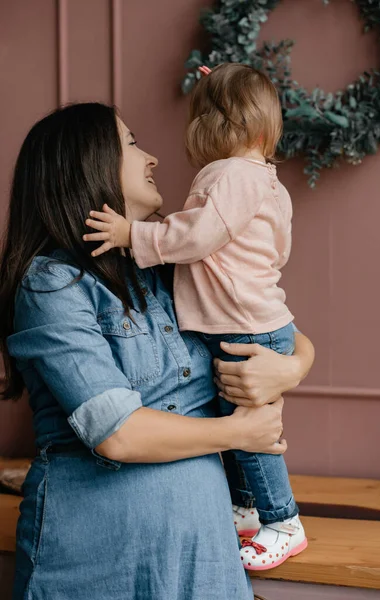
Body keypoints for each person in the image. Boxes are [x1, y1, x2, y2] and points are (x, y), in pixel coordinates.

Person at [0, 102, 314, 600]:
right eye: (130, 144)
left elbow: (271, 322)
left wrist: (291, 367)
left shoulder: (175, 264)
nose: (152, 158)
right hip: (95, 558)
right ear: (88, 162)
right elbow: (116, 434)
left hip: (202, 556)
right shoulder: (52, 285)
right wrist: (239, 431)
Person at [82, 63, 309, 570]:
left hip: (243, 326)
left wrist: (130, 236)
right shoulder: (267, 182)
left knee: (249, 430)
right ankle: (249, 509)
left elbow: (198, 235)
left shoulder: (232, 175)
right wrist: (292, 361)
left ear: (232, 128)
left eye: (204, 117)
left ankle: (283, 519)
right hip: (259, 320)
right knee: (239, 421)